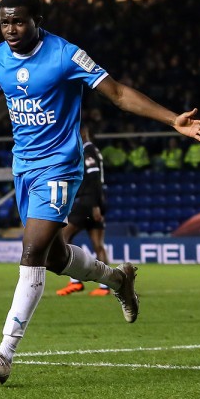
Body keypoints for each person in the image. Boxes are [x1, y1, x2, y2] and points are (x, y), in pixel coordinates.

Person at [0, 0, 200, 384]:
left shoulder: (66, 55)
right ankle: (118, 279)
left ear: (38, 21)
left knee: (31, 252)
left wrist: (171, 119)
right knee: (52, 257)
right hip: (23, 168)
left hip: (59, 167)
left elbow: (117, 93)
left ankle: (4, 354)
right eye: (4, 22)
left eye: (19, 21)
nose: (11, 29)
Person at [57, 123, 111, 297]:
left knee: (63, 236)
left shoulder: (87, 150)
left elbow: (93, 178)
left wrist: (94, 205)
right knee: (98, 245)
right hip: (95, 201)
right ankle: (105, 286)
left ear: (83, 132)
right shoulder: (93, 150)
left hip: (88, 202)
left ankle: (75, 281)